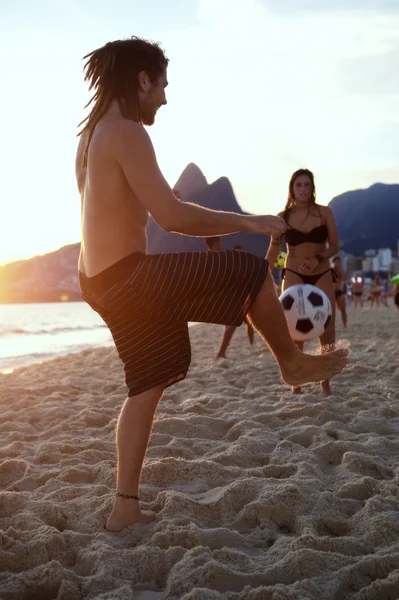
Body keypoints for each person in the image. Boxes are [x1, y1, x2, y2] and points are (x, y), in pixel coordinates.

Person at [76, 38, 348, 532]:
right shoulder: (128, 131)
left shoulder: (94, 132)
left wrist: (146, 196)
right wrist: (248, 223)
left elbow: (100, 198)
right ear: (142, 79)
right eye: (161, 86)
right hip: (128, 277)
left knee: (149, 379)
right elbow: (174, 218)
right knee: (248, 271)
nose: (164, 98)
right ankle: (292, 362)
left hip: (97, 279)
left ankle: (125, 506)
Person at [266, 169, 341, 396]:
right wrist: (263, 269)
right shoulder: (283, 217)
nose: (303, 189)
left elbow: (335, 246)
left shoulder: (324, 213)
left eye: (307, 184)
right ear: (292, 188)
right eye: (298, 185)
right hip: (293, 273)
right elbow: (274, 248)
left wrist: (318, 258)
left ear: (312, 187)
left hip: (321, 273)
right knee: (294, 329)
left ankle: (324, 381)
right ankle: (296, 383)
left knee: (327, 327)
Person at [206, 242, 256, 357]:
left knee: (250, 325)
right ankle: (221, 352)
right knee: (230, 328)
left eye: (242, 255)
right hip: (233, 302)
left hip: (246, 300)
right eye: (238, 255)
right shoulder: (228, 268)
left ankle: (251, 345)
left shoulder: (247, 267)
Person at [332, 256, 348, 328]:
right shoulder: (330, 270)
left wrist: (340, 269)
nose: (337, 264)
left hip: (338, 291)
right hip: (330, 292)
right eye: (336, 262)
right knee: (331, 311)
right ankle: (330, 326)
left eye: (339, 262)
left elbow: (345, 279)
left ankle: (344, 325)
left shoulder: (340, 271)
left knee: (343, 309)